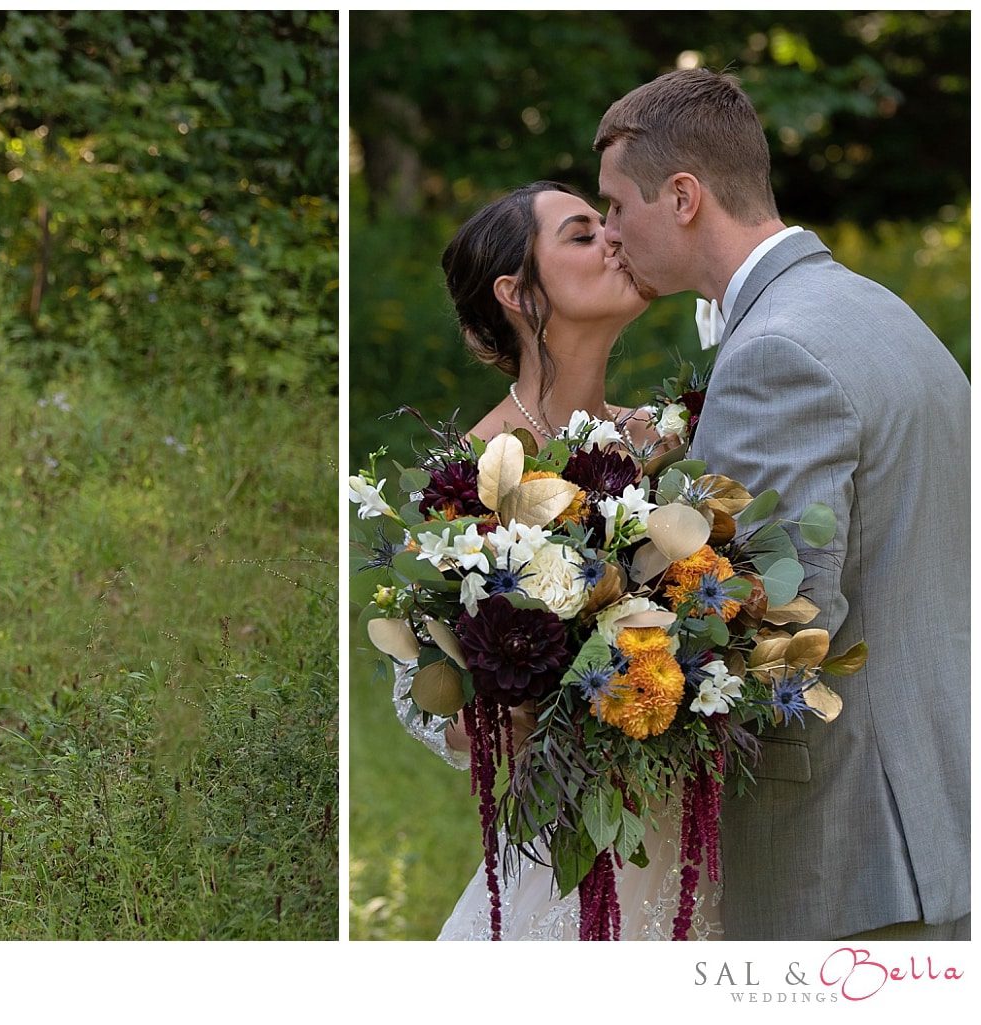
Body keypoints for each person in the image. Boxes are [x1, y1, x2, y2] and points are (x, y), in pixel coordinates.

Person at [595, 68, 970, 941]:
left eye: (616, 205)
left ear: (682, 196)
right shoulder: (873, 310)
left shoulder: (776, 354)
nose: (610, 233)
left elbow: (773, 621)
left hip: (852, 849)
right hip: (932, 811)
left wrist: (599, 674)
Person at [393, 180, 714, 939]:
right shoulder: (471, 476)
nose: (613, 239)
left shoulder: (667, 442)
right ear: (516, 291)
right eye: (580, 234)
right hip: (577, 830)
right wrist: (517, 695)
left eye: (607, 224)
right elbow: (424, 693)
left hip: (695, 822)